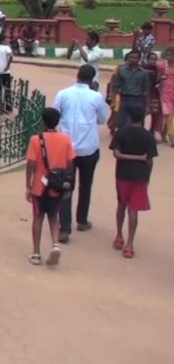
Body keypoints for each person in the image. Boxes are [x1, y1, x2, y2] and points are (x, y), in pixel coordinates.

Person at [54, 65, 110, 242]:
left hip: (67, 147)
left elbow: (55, 115)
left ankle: (64, 228)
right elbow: (102, 119)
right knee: (86, 185)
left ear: (77, 75)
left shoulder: (63, 94)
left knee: (65, 187)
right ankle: (82, 220)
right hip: (88, 147)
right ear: (92, 80)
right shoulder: (96, 97)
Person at [24, 107, 75, 266]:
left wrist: (28, 185)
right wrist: (68, 186)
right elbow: (70, 164)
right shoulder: (66, 139)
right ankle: (55, 244)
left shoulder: (35, 140)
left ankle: (36, 253)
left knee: (38, 217)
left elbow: (31, 164)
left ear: (43, 121)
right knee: (54, 217)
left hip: (40, 186)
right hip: (57, 186)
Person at [109, 105, 156, 259]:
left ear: (129, 116)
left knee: (121, 205)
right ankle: (129, 244)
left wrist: (129, 157)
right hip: (140, 176)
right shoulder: (148, 136)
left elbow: (117, 154)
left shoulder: (121, 133)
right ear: (143, 118)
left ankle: (118, 236)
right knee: (133, 209)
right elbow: (149, 160)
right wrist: (144, 171)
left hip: (122, 174)